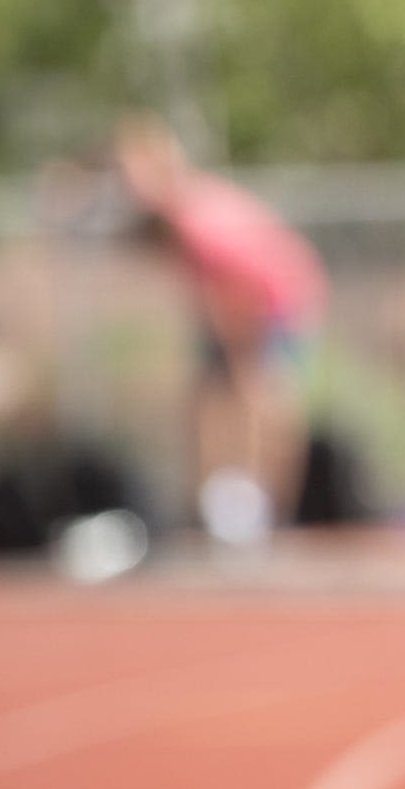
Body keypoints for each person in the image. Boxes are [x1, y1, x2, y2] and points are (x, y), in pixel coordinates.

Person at [112, 117, 326, 545]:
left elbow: (244, 290)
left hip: (275, 305)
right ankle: (226, 508)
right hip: (240, 309)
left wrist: (243, 350)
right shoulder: (180, 217)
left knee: (263, 403)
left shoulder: (200, 221)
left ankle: (266, 514)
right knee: (213, 405)